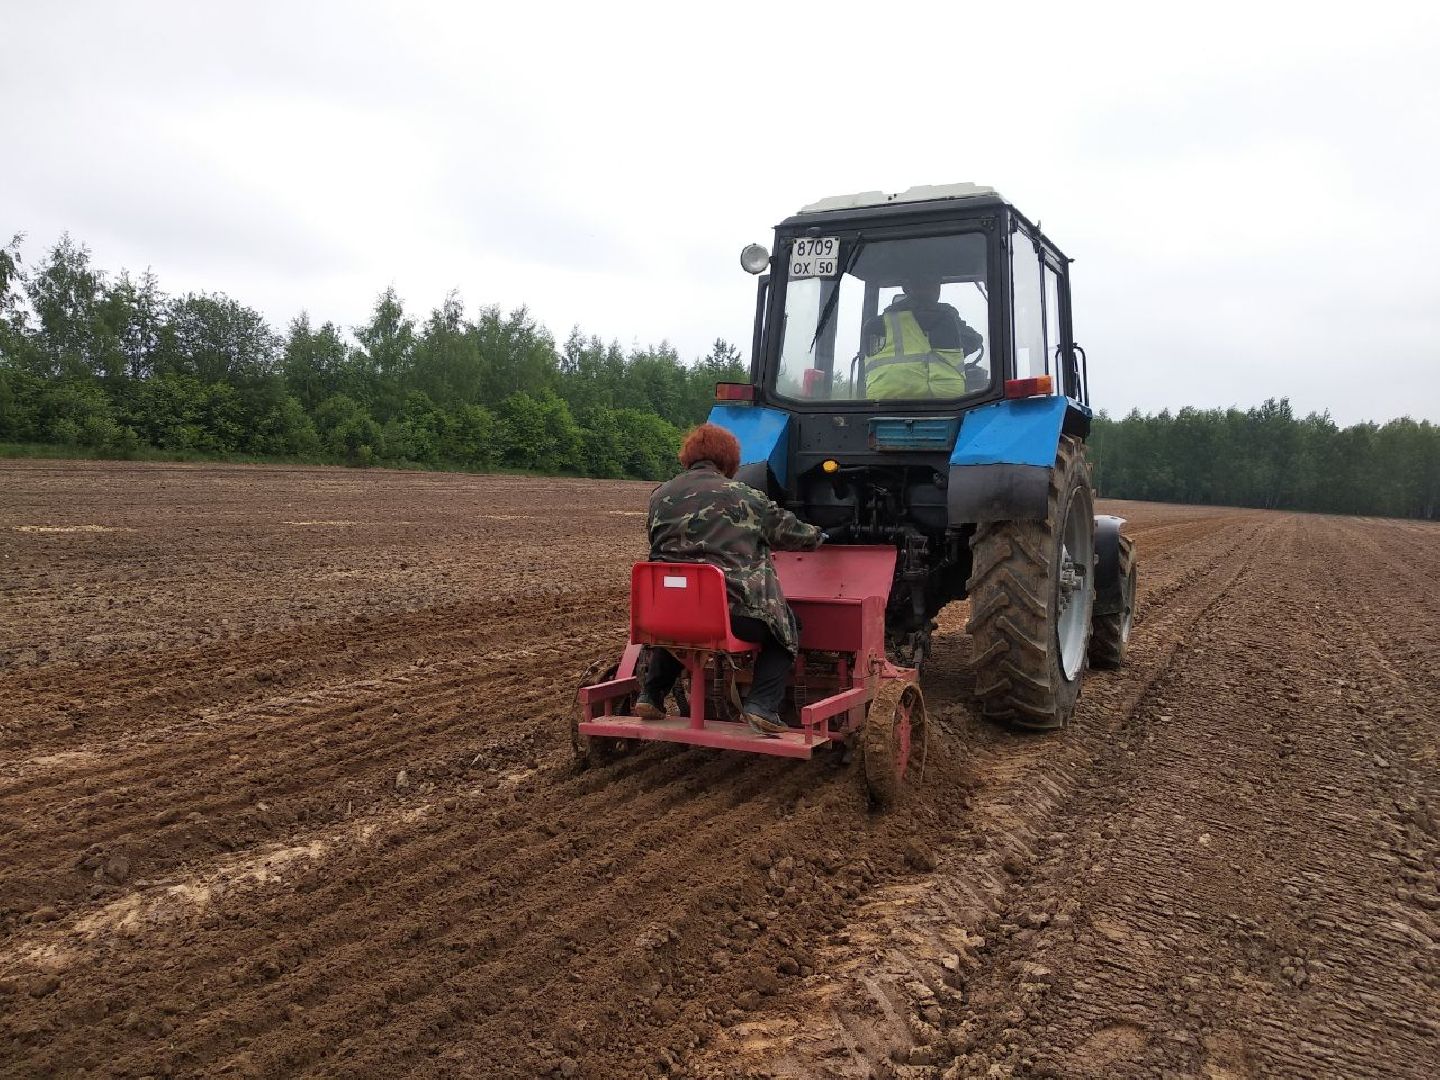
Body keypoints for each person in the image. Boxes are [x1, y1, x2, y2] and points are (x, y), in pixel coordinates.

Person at [635, 422, 824, 736]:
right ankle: (762, 705)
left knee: (681, 628)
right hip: (731, 615)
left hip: (663, 612)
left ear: (688, 457)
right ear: (729, 461)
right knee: (787, 629)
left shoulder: (660, 496)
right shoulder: (744, 496)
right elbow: (791, 532)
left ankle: (651, 694)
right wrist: (818, 536)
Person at [862, 273, 984, 399]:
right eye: (935, 283)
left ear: (906, 288)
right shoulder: (945, 316)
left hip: (884, 400)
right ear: (936, 287)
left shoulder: (880, 323)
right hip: (945, 402)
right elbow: (972, 340)